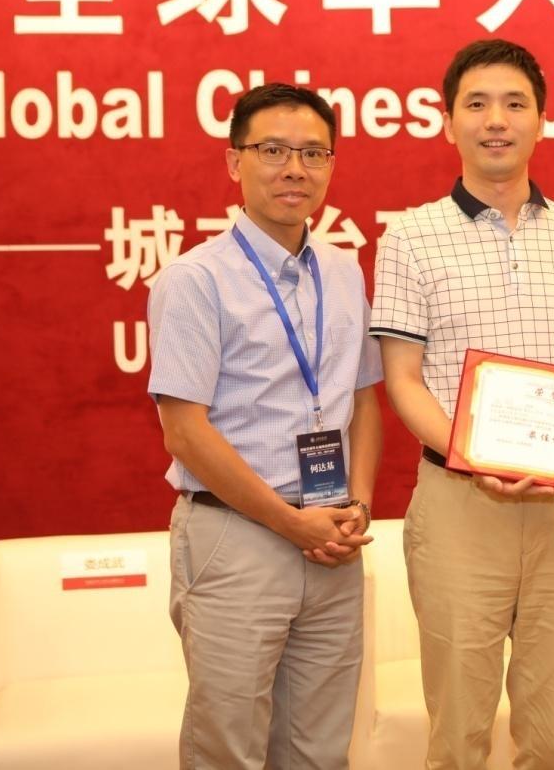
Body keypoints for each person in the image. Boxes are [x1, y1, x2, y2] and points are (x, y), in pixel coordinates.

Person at [370, 38, 554, 770]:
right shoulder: (410, 236)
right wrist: (473, 456)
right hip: (459, 499)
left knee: (551, 734)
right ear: (448, 121)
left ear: (543, 118)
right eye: (476, 104)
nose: (496, 121)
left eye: (515, 104)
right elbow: (403, 379)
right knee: (457, 734)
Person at [148, 82, 383, 769]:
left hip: (332, 539)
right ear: (234, 162)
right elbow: (185, 432)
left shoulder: (344, 271)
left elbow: (363, 400)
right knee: (229, 750)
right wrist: (290, 522)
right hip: (237, 537)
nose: (294, 169)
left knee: (321, 750)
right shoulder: (196, 279)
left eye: (314, 153)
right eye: (273, 150)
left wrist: (358, 505)